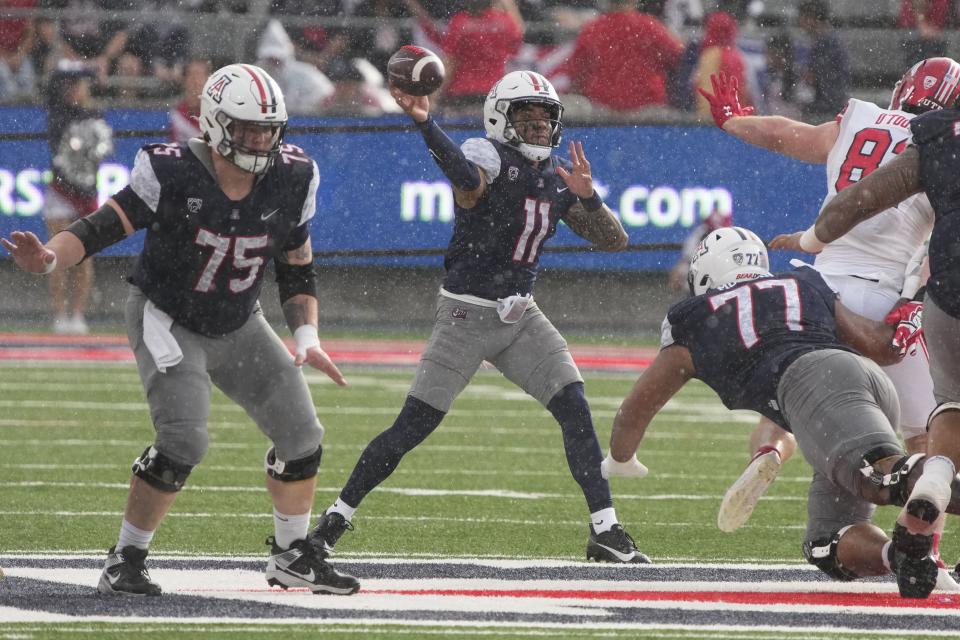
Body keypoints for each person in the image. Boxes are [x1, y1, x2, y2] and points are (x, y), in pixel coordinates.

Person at [1, 63, 358, 596]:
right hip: (167, 315)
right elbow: (102, 227)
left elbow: (297, 263)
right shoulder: (173, 169)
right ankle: (125, 558)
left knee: (303, 436)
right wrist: (51, 259)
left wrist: (307, 338)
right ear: (215, 123)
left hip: (239, 319)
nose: (260, 140)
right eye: (247, 128)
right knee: (184, 440)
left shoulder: (294, 175)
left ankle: (291, 556)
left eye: (268, 129)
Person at [307, 70, 648, 565]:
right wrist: (427, 124)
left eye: (544, 117)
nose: (536, 126)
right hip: (466, 314)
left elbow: (615, 240)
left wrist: (588, 196)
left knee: (574, 407)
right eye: (525, 116)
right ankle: (333, 521)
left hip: (521, 315)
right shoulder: (487, 157)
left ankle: (606, 531)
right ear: (500, 119)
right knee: (412, 427)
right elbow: (467, 182)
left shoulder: (558, 180)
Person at [606, 225, 959, 599]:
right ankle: (902, 555)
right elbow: (880, 347)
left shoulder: (693, 317)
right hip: (855, 381)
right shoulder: (801, 282)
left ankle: (927, 476)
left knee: (881, 478)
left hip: (816, 387)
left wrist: (620, 457)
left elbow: (636, 407)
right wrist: (909, 312)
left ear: (705, 272)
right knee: (826, 543)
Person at [698, 62, 957, 551]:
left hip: (819, 286)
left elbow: (787, 135)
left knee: (794, 406)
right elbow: (939, 245)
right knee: (927, 440)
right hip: (883, 294)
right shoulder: (943, 144)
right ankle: (926, 551)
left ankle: (770, 450)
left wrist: (735, 121)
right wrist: (912, 305)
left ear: (903, 88)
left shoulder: (860, 117)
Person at [805, 62, 960, 602]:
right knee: (926, 430)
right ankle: (928, 539)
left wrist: (812, 237)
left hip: (838, 287)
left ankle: (768, 451)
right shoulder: (937, 141)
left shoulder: (907, 133)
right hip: (904, 293)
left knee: (814, 398)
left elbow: (844, 187)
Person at [43, 63, 113, 334]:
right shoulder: (57, 112)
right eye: (70, 85)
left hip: (86, 193)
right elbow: (54, 78)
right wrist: (87, 70)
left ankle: (78, 314)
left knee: (83, 257)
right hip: (60, 190)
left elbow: (105, 149)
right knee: (55, 255)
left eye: (78, 85)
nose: (73, 90)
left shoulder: (96, 114)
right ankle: (59, 313)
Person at [568, 0, 684, 112]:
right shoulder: (650, 27)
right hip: (648, 113)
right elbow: (679, 57)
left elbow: (576, 75)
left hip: (602, 114)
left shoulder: (592, 29)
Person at [796, 0, 850, 120]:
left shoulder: (828, 44)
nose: (801, 22)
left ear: (813, 18)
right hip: (824, 106)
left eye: (803, 17)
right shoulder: (820, 42)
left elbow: (823, 80)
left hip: (827, 110)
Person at [168, 57, 210, 143]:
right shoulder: (176, 114)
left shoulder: (214, 113)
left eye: (200, 75)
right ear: (184, 80)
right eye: (191, 74)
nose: (196, 80)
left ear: (208, 79)